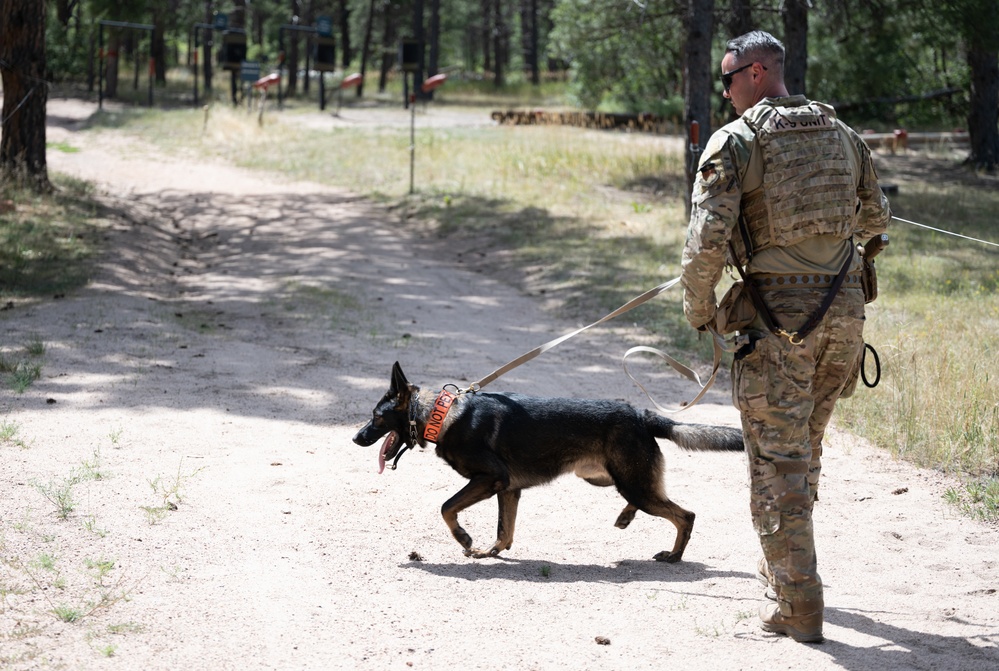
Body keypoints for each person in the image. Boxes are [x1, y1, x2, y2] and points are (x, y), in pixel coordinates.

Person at [680, 30, 891, 643]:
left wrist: (699, 313)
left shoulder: (737, 142)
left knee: (778, 467)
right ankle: (783, 574)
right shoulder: (843, 134)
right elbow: (875, 219)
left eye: (727, 80)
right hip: (844, 320)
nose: (724, 93)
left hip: (779, 324)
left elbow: (704, 244)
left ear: (754, 73)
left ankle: (799, 609)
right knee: (804, 451)